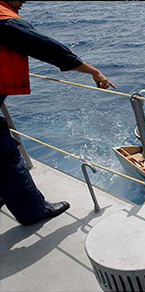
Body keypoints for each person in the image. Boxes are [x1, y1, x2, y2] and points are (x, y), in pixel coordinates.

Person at [0, 1, 115, 226]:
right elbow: (45, 47)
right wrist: (93, 71)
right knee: (5, 156)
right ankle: (33, 211)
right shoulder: (4, 19)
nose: (24, 1)